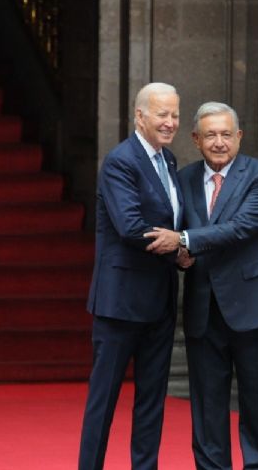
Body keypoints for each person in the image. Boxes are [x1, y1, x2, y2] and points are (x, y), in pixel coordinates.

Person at [145, 101, 258, 469]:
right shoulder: (183, 179)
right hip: (203, 310)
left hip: (254, 309)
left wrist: (185, 241)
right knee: (207, 409)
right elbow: (171, 232)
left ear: (239, 137)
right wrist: (178, 254)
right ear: (196, 139)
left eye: (226, 134)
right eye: (210, 135)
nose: (219, 142)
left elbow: (241, 227)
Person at [78, 82, 185, 470]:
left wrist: (183, 245)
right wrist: (181, 245)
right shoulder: (121, 161)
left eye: (175, 114)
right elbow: (129, 226)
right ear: (139, 116)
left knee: (152, 399)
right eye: (162, 114)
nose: (171, 122)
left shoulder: (168, 161)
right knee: (103, 398)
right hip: (120, 301)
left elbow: (172, 222)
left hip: (159, 300)